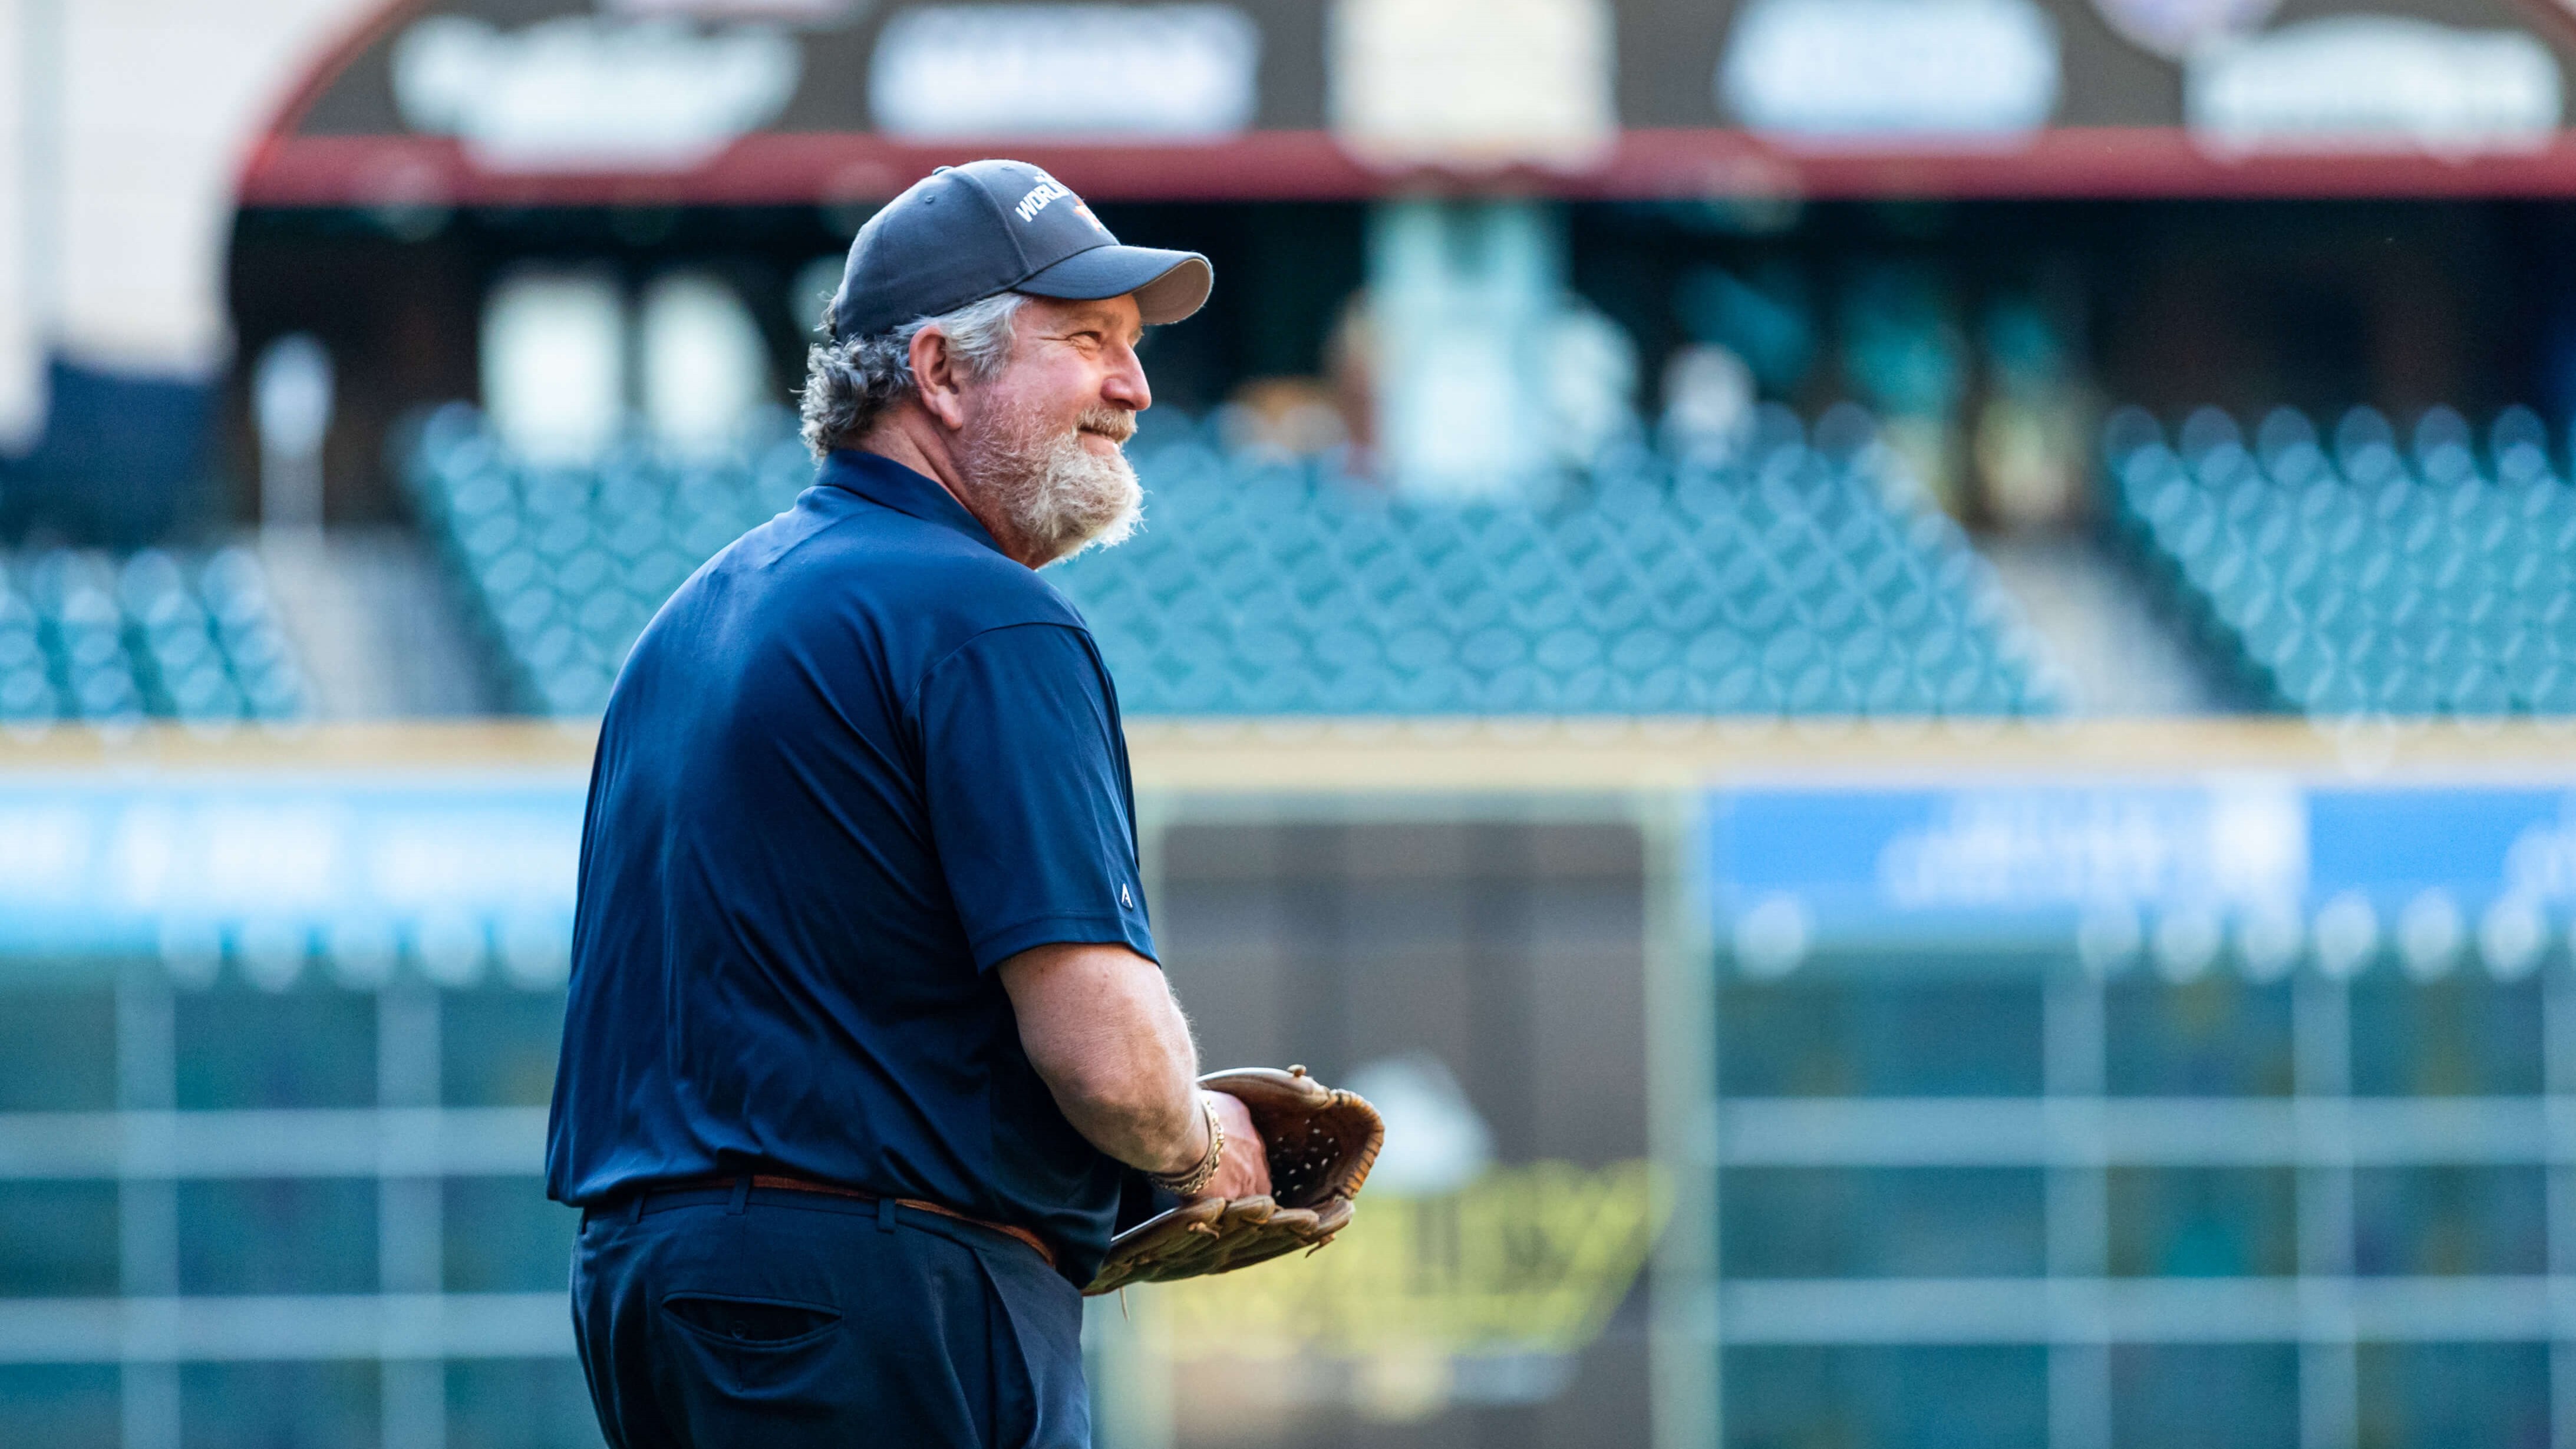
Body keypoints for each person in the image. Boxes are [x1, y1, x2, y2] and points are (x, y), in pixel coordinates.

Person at [545, 159, 1269, 1449]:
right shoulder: (985, 612)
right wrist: (1199, 1147)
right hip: (882, 1294)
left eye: (1134, 346)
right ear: (939, 371)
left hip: (655, 1291)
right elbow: (1105, 1055)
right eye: (1086, 340)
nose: (1134, 386)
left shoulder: (694, 616)